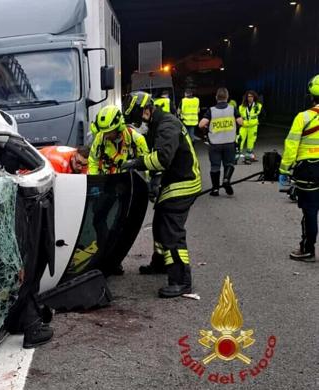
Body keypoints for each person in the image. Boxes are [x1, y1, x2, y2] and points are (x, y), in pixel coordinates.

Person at [121, 91, 201, 297]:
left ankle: (181, 280)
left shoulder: (167, 125)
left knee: (170, 231)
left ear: (147, 111)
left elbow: (162, 158)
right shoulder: (156, 125)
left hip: (184, 182)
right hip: (173, 179)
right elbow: (151, 152)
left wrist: (135, 164)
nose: (139, 125)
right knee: (158, 224)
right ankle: (160, 263)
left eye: (139, 120)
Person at [88, 105, 149, 275]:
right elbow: (93, 160)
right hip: (107, 185)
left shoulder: (135, 139)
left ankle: (115, 261)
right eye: (105, 132)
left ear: (119, 126)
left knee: (121, 224)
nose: (107, 135)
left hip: (127, 187)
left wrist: (149, 185)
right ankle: (104, 256)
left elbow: (147, 163)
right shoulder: (100, 138)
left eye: (110, 132)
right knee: (98, 219)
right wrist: (94, 183)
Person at [279, 75, 319, 262]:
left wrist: (285, 169)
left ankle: (307, 248)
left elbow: (292, 145)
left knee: (310, 211)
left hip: (308, 171)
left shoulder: (303, 117)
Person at [198, 88, 243, 196]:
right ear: (227, 97)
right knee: (229, 163)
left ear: (216, 98)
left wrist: (208, 128)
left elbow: (201, 124)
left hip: (215, 144)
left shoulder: (211, 110)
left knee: (215, 166)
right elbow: (240, 122)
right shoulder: (232, 109)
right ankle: (226, 179)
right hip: (229, 142)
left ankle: (215, 189)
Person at [238, 90, 263, 163]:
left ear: (254, 97)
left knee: (251, 142)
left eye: (251, 96)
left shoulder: (258, 106)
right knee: (240, 140)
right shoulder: (242, 106)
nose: (250, 98)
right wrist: (239, 123)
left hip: (253, 127)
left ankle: (248, 158)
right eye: (248, 96)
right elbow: (237, 115)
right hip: (244, 126)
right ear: (246, 97)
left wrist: (259, 122)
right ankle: (235, 157)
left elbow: (263, 114)